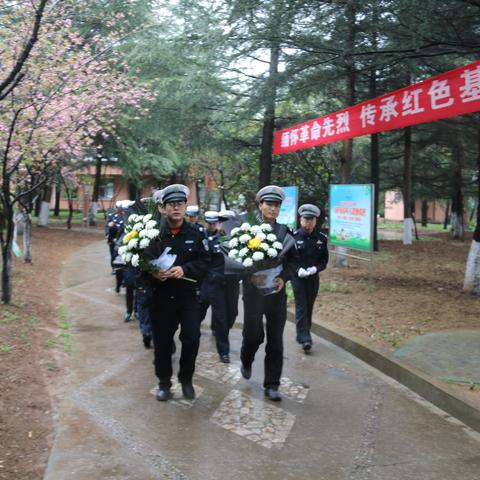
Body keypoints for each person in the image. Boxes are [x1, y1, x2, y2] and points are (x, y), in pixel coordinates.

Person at [143, 185, 211, 401]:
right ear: (162, 208)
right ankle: (164, 382)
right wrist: (153, 274)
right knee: (162, 342)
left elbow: (206, 261)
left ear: (185, 206)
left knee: (191, 338)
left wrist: (185, 269)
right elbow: (137, 264)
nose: (176, 208)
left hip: (188, 297)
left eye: (180, 204)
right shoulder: (150, 234)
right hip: (161, 297)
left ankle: (186, 379)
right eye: (171, 204)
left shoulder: (196, 233)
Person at [240, 185, 298, 401]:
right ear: (260, 205)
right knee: (254, 336)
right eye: (269, 204)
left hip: (276, 294)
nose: (273, 209)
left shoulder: (285, 232)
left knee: (275, 339)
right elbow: (236, 260)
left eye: (276, 205)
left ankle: (272, 384)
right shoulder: (247, 230)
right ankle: (246, 359)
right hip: (253, 295)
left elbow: (293, 261)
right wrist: (250, 276)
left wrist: (284, 278)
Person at [291, 204, 329, 353]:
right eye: (306, 219)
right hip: (298, 278)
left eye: (311, 220)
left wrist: (316, 269)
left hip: (313, 279)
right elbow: (290, 260)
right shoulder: (293, 237)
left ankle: (302, 334)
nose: (308, 223)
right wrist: (298, 269)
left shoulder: (321, 239)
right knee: (301, 306)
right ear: (301, 220)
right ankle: (306, 338)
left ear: (315, 221)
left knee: (309, 307)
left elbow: (324, 261)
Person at [199, 211, 232, 363]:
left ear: (218, 223)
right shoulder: (199, 237)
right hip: (203, 284)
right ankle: (190, 341)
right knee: (196, 316)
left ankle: (224, 351)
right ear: (205, 222)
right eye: (209, 223)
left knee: (220, 319)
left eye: (214, 223)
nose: (212, 225)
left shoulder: (224, 239)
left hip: (218, 285)